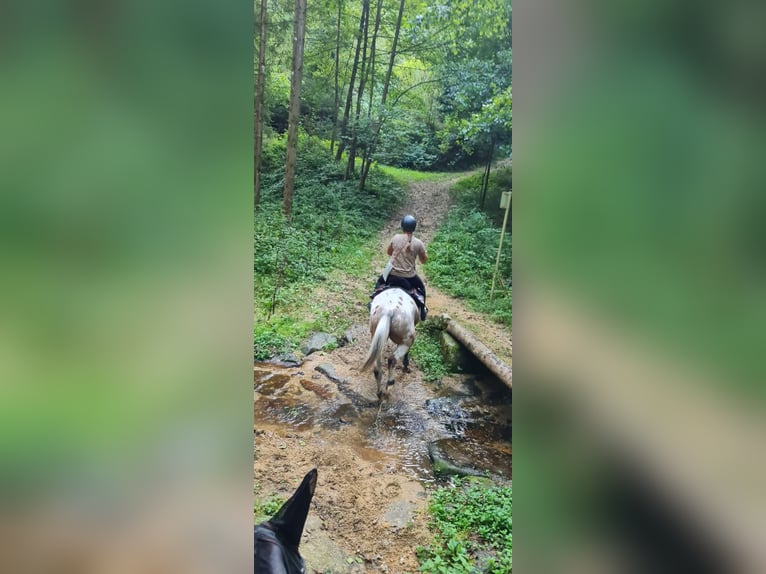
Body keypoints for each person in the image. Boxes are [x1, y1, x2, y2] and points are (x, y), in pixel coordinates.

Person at [373, 214, 429, 321]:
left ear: (402, 226)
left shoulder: (395, 238)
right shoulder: (418, 243)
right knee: (422, 288)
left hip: (392, 275)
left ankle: (372, 302)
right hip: (409, 278)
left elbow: (389, 252)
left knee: (379, 283)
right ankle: (422, 311)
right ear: (414, 228)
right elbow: (424, 260)